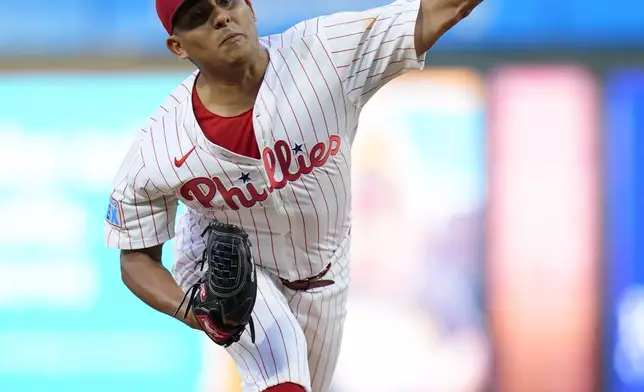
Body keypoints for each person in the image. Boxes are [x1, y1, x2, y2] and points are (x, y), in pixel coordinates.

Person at [103, 0, 483, 391]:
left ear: (250, 7)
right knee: (280, 375)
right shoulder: (161, 143)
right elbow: (134, 257)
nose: (220, 17)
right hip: (234, 271)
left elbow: (440, 9)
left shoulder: (326, 53)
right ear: (178, 46)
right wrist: (194, 312)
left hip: (324, 273)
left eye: (227, 1)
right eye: (198, 16)